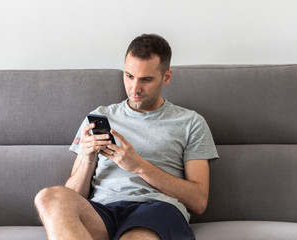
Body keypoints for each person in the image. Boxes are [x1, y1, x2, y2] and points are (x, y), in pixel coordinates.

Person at [35, 34, 219, 240]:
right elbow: (74, 195)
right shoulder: (100, 116)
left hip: (157, 210)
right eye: (129, 76)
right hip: (102, 211)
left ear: (166, 77)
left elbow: (199, 201)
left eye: (146, 80)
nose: (134, 89)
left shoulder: (190, 122)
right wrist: (87, 159)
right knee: (48, 197)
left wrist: (138, 166)